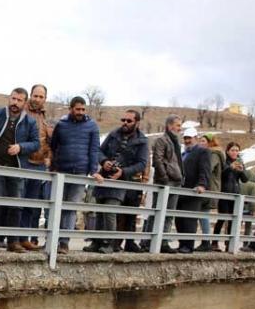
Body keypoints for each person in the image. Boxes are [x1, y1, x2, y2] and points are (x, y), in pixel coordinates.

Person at [0, 88, 40, 253]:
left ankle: (13, 241)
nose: (15, 103)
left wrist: (21, 147)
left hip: (17, 168)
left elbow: (36, 143)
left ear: (24, 103)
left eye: (19, 100)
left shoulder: (30, 122)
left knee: (16, 205)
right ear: (9, 98)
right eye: (13, 99)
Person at [88, 109, 148, 254]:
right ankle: (97, 242)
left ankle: (110, 243)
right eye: (123, 120)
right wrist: (104, 161)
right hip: (104, 176)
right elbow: (98, 151)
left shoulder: (142, 141)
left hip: (122, 180)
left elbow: (142, 163)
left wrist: (124, 171)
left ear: (137, 123)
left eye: (129, 121)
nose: (125, 123)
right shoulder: (114, 134)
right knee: (100, 210)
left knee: (111, 210)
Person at [49, 96, 103, 254]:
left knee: (70, 208)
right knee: (55, 206)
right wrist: (53, 167)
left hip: (79, 172)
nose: (80, 112)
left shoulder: (92, 126)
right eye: (77, 109)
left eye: (83, 109)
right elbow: (54, 146)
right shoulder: (61, 125)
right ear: (71, 109)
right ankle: (51, 240)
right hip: (61, 171)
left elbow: (94, 150)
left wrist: (93, 171)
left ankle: (64, 243)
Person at [141, 114, 183, 253]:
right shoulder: (162, 140)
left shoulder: (175, 141)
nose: (179, 128)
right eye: (178, 125)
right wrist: (164, 178)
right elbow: (157, 160)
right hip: (165, 181)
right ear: (170, 125)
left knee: (169, 213)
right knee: (156, 211)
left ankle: (163, 241)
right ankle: (147, 241)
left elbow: (177, 161)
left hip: (176, 181)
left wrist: (181, 177)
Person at [18, 84, 52, 250]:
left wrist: (48, 157)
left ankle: (24, 238)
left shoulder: (44, 117)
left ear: (45, 99)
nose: (38, 99)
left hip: (39, 165)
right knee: (18, 202)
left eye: (41, 97)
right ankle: (9, 237)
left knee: (31, 204)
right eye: (35, 96)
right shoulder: (22, 112)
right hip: (22, 162)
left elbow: (49, 141)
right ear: (31, 95)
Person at [212, 142, 248, 250]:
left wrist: (242, 171)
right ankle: (214, 242)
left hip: (235, 194)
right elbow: (221, 175)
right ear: (228, 151)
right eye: (232, 150)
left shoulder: (240, 162)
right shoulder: (224, 161)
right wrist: (230, 168)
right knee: (222, 218)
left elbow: (245, 180)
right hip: (225, 193)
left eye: (237, 150)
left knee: (233, 220)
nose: (235, 152)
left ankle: (229, 243)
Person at [175, 144, 211, 254]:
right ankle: (182, 244)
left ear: (195, 138)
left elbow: (204, 169)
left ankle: (188, 246)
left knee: (189, 220)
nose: (187, 141)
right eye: (185, 138)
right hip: (181, 190)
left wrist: (202, 184)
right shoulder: (183, 153)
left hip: (194, 190)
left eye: (190, 138)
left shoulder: (202, 151)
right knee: (179, 220)